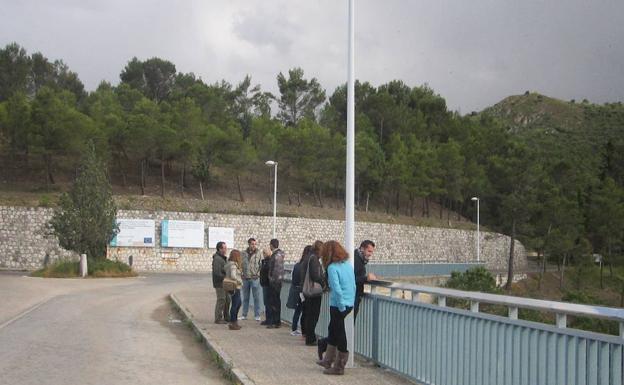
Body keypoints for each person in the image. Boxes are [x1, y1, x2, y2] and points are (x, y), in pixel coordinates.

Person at [316, 240, 355, 375]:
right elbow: (353, 284)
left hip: (338, 304)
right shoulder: (347, 265)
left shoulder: (332, 268)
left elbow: (337, 289)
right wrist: (347, 303)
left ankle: (339, 366)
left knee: (339, 333)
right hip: (349, 302)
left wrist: (341, 306)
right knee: (333, 329)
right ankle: (328, 360)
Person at [301, 240, 325, 346]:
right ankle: (310, 338)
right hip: (313, 291)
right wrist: (323, 282)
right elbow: (315, 276)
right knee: (313, 315)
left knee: (309, 314)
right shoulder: (314, 259)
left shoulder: (308, 257)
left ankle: (309, 336)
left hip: (307, 290)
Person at [287, 246, 310, 336]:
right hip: (303, 291)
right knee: (303, 311)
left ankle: (294, 328)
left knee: (298, 310)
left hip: (296, 289)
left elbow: (294, 279)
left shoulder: (297, 265)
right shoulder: (306, 265)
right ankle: (300, 329)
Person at [241, 238, 263, 321]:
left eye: (255, 244)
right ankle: (244, 315)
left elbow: (261, 265)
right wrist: (241, 274)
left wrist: (258, 274)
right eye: (252, 244)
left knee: (256, 298)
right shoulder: (243, 253)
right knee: (245, 297)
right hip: (245, 278)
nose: (254, 245)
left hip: (254, 278)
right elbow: (240, 264)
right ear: (249, 244)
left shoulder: (259, 254)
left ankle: (257, 315)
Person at [354, 240, 376, 320]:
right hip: (353, 296)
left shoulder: (357, 257)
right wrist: (366, 278)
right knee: (349, 323)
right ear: (362, 249)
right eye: (369, 251)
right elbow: (351, 279)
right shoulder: (355, 260)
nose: (370, 254)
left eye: (372, 252)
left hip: (352, 295)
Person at [266, 238, 285, 328]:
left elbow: (275, 270)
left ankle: (275, 322)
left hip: (275, 282)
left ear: (271, 245)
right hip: (279, 281)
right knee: (276, 301)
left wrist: (271, 279)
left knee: (274, 302)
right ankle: (276, 321)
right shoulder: (280, 254)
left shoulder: (276, 255)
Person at [212, 241, 231, 324]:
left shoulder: (222, 258)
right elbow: (217, 273)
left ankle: (227, 317)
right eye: (224, 248)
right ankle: (218, 318)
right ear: (220, 249)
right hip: (219, 283)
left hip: (225, 283)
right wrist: (225, 277)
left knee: (228, 299)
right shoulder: (217, 259)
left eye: (226, 248)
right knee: (221, 299)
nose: (226, 249)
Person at [224, 249, 244, 330]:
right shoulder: (233, 265)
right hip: (235, 286)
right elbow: (233, 276)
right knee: (236, 304)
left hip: (232, 287)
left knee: (237, 303)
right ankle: (233, 322)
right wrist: (240, 281)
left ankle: (234, 321)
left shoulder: (228, 264)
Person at [259, 247, 272, 325]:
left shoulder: (269, 262)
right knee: (266, 302)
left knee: (268, 302)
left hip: (268, 284)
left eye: (264, 253)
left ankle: (269, 319)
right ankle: (268, 319)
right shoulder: (265, 262)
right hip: (265, 284)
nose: (263, 254)